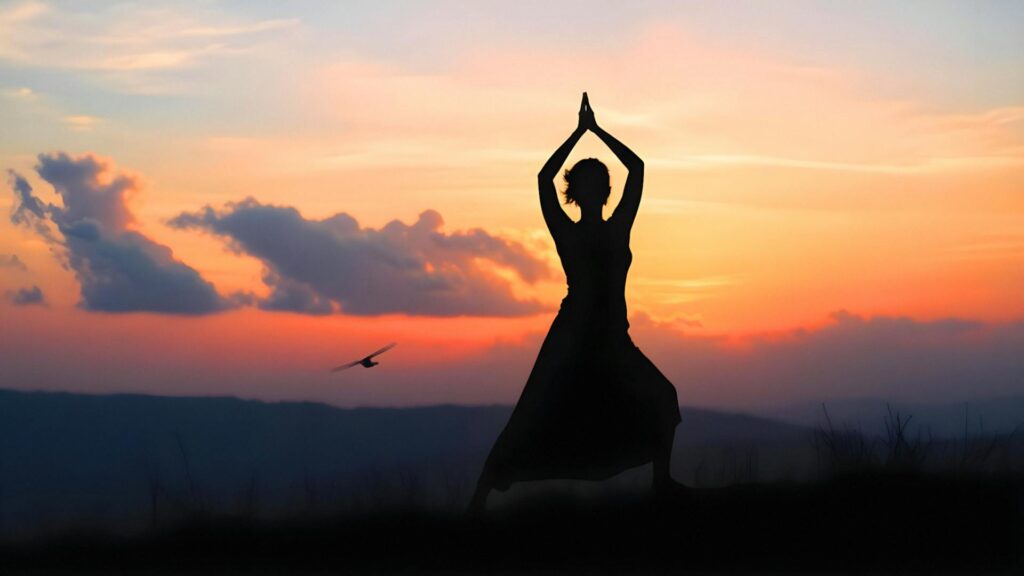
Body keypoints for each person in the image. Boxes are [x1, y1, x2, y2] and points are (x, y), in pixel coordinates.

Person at [468, 93, 684, 513]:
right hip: (572, 337)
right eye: (585, 185)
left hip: (613, 338)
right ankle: (478, 499)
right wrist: (578, 133)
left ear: (605, 191)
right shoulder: (566, 232)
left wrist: (596, 130)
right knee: (530, 418)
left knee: (662, 397)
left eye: (597, 184)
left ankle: (661, 483)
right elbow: (543, 179)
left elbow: (637, 168)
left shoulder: (619, 227)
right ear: (576, 193)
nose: (592, 191)